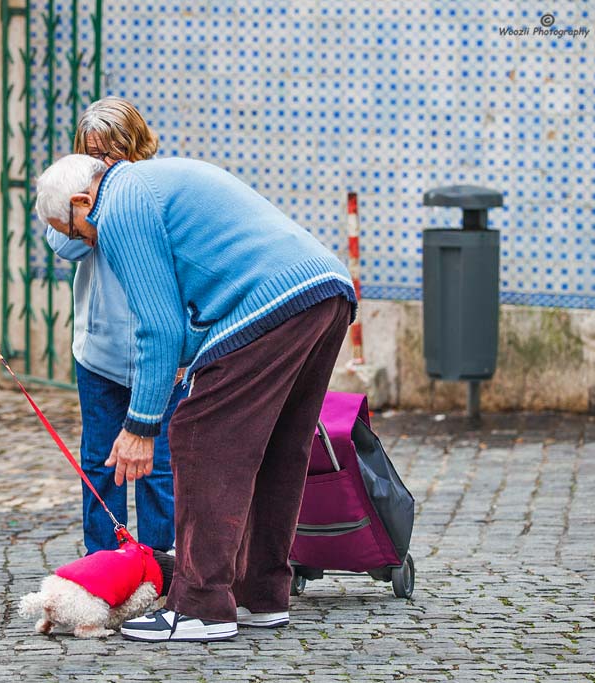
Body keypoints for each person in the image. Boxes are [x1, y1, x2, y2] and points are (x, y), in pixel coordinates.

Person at [35, 154, 357, 642]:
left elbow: (158, 327)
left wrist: (141, 425)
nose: (88, 242)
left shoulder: (117, 206)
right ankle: (262, 595)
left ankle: (202, 605)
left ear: (83, 202)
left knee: (197, 433)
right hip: (324, 291)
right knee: (274, 446)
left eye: (78, 231)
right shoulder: (148, 183)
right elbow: (181, 323)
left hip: (270, 302)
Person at [45, 98, 186, 556]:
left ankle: (161, 565)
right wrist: (90, 212)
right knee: (99, 463)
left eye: (113, 153)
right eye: (93, 152)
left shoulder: (156, 190)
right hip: (100, 352)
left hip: (161, 357)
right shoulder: (77, 195)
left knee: (159, 464)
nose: (103, 162)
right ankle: (103, 561)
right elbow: (65, 247)